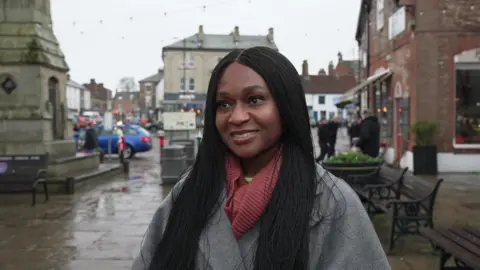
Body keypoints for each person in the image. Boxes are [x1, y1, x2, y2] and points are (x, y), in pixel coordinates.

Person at [132, 47, 389, 270]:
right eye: (224, 104)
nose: (236, 117)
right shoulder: (189, 191)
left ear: (286, 107)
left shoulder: (333, 203)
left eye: (254, 100)